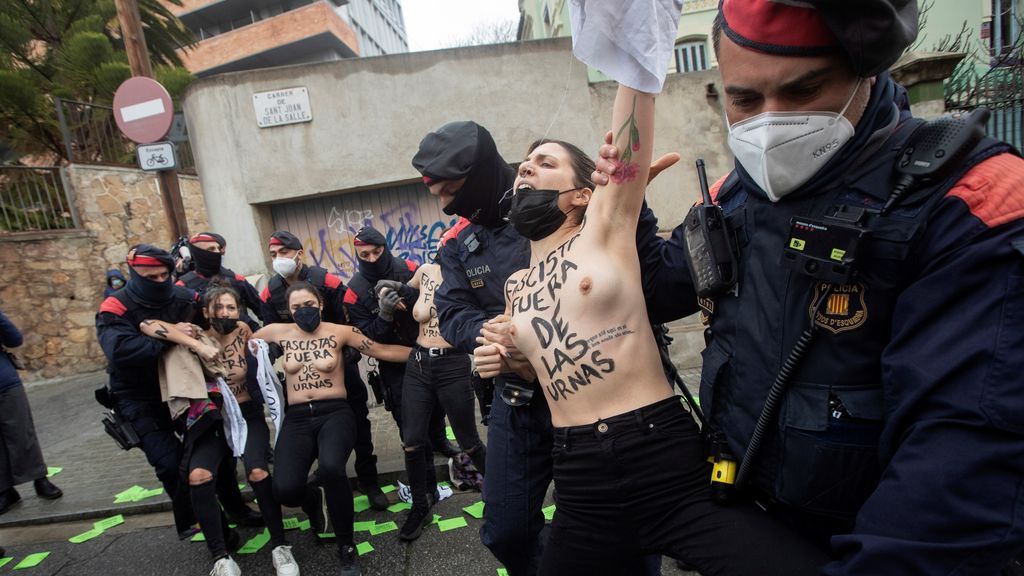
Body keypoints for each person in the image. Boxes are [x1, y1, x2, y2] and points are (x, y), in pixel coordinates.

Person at [588, 0, 1024, 573]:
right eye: (745, 100)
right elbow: (655, 289)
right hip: (747, 523)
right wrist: (628, 205)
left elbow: (960, 461)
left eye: (803, 91)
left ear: (865, 73)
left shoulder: (972, 197)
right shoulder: (731, 198)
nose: (771, 123)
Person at [474, 43, 829, 571]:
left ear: (581, 194)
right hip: (579, 480)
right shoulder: (515, 286)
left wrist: (636, 37)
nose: (526, 169)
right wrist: (508, 360)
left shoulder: (605, 229)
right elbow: (544, 372)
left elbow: (631, 124)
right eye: (523, 167)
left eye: (544, 164)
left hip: (660, 459)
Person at [414, 121, 674, 575]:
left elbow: (634, 271)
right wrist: (494, 334)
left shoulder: (571, 207)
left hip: (596, 393)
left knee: (629, 529)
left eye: (452, 191)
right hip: (519, 402)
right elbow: (452, 311)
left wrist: (631, 202)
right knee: (505, 531)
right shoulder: (457, 243)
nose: (445, 204)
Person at [96, 244, 257, 538]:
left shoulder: (185, 297)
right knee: (170, 464)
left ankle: (237, 509)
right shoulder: (116, 306)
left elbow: (214, 323)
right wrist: (173, 337)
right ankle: (212, 528)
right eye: (151, 277)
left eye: (164, 275)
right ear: (134, 273)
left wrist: (245, 330)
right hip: (139, 398)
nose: (159, 282)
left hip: (188, 388)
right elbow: (120, 350)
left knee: (218, 453)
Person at [251, 282, 413, 576]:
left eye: (309, 305)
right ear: (289, 310)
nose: (303, 311)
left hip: (335, 413)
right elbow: (241, 341)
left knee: (331, 469)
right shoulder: (277, 332)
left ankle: (346, 547)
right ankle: (313, 500)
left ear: (321, 304)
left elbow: (380, 349)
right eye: (296, 307)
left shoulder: (340, 332)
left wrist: (426, 352)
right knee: (285, 489)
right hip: (297, 418)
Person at [140, 284, 299, 576]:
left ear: (239, 311)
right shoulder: (195, 335)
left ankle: (280, 546)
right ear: (206, 311)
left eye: (231, 307)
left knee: (258, 472)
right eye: (219, 308)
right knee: (198, 476)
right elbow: (147, 324)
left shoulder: (244, 331)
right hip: (213, 419)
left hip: (248, 415)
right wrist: (198, 345)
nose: (225, 313)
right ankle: (221, 558)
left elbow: (274, 340)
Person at [259, 230, 388, 512]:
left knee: (359, 424)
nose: (279, 259)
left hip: (338, 364)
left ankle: (369, 480)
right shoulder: (271, 291)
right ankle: (324, 477)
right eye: (274, 254)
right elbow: (269, 330)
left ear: (298, 253)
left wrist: (351, 348)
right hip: (302, 375)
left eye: (283, 252)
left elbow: (349, 312)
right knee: (310, 432)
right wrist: (272, 351)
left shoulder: (324, 281)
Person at [393, 257, 487, 541]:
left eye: (452, 240)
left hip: (452, 363)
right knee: (412, 441)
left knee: (469, 441)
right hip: (418, 363)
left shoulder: (468, 275)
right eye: (444, 240)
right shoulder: (425, 271)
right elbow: (407, 291)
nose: (447, 244)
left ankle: (499, 496)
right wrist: (392, 295)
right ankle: (420, 506)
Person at [344, 226, 456, 454]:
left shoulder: (410, 269)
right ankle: (418, 454)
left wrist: (406, 292)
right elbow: (368, 337)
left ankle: (440, 441)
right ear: (357, 255)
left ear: (384, 247)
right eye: (365, 255)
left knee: (437, 405)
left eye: (376, 252)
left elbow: (433, 304)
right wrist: (385, 314)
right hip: (393, 363)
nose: (372, 259)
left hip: (425, 350)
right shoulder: (353, 292)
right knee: (406, 415)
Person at [0, 310, 62, 514]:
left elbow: (14, 339)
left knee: (21, 432)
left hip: (4, 382)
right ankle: (5, 490)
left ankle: (40, 479)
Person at [175, 232, 263, 331]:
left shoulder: (236, 279)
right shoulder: (183, 285)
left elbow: (262, 309)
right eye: (211, 249)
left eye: (218, 248)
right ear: (199, 253)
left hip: (242, 335)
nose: (217, 252)